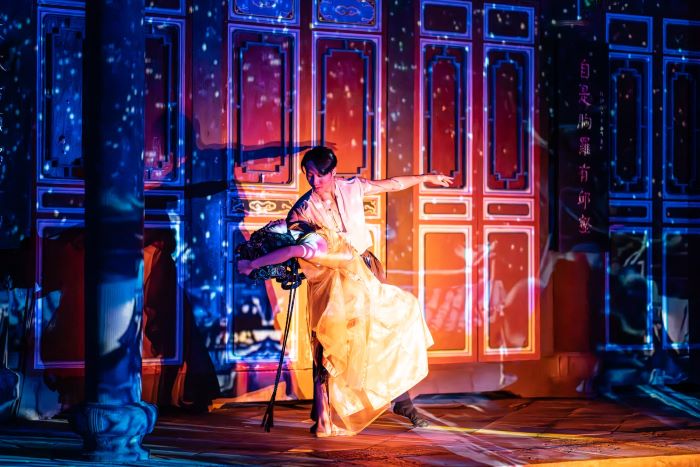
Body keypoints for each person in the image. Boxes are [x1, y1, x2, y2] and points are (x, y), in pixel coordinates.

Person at [287, 146, 452, 432]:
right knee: (330, 341)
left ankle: (403, 402)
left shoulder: (352, 188)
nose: (314, 181)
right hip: (334, 279)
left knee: (385, 329)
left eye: (319, 175)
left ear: (332, 173)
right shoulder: (304, 208)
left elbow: (392, 184)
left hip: (366, 270)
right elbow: (293, 238)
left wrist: (426, 177)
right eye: (309, 175)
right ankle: (322, 411)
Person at [237, 219, 433, 436]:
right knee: (337, 354)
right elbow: (292, 251)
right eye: (269, 228)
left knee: (343, 352)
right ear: (277, 239)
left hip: (347, 293)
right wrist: (253, 264)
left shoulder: (308, 233)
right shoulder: (313, 241)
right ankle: (326, 419)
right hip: (348, 300)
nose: (272, 221)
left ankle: (326, 419)